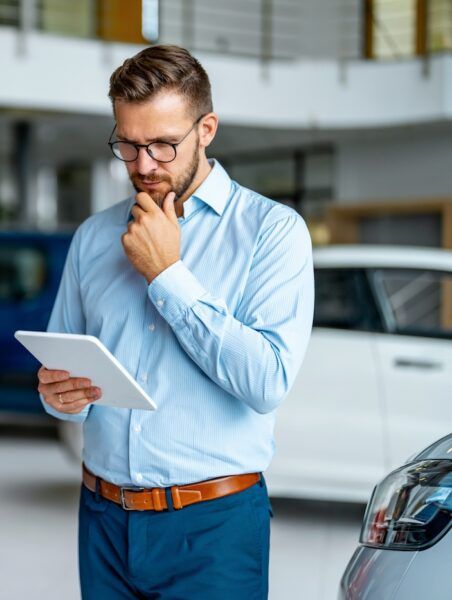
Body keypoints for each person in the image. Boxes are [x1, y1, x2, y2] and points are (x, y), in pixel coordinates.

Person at [36, 45, 314, 599]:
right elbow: (63, 373)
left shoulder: (272, 232)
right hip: (103, 520)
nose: (143, 166)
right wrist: (58, 395)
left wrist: (167, 274)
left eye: (163, 145)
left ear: (206, 129)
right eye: (128, 144)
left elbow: (267, 383)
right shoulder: (93, 237)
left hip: (213, 527)